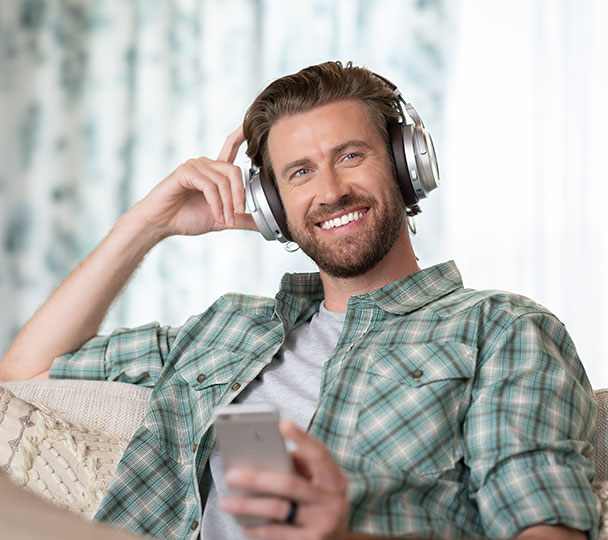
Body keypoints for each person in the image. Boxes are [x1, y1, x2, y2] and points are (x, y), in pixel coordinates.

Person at [0, 61, 600, 540]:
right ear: (271, 204)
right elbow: (24, 372)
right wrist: (146, 224)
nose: (331, 191)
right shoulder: (226, 328)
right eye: (299, 173)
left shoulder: (502, 329)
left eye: (351, 156)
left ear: (404, 164)